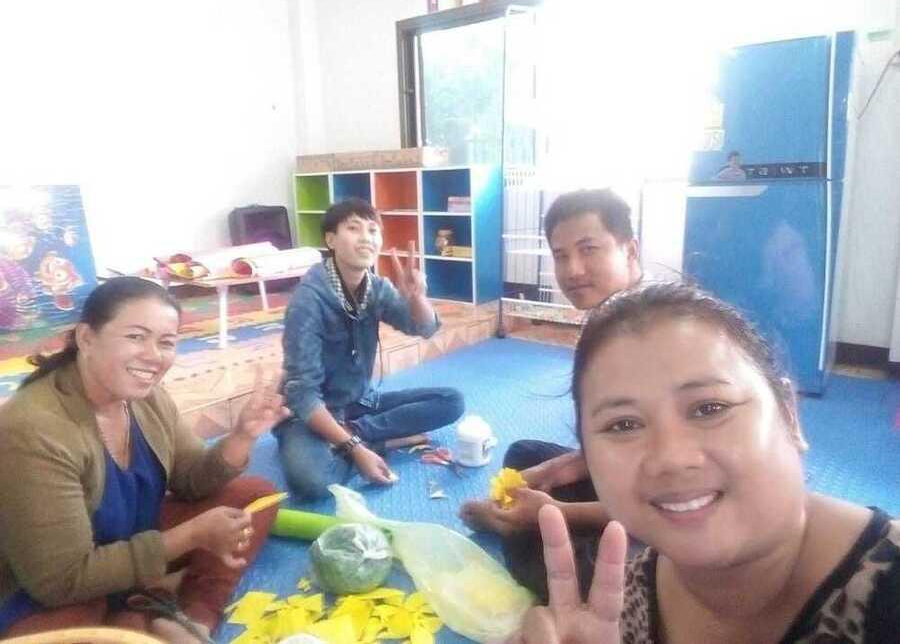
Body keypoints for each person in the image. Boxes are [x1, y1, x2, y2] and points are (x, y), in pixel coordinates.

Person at [503, 282, 900, 643]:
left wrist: (559, 511)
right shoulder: (628, 597)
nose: (671, 458)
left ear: (789, 415)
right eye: (623, 424)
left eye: (709, 408)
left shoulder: (886, 586)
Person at [0, 277, 289, 643]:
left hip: (130, 542)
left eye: (166, 342)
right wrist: (190, 536)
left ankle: (194, 616)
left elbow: (190, 479)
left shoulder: (146, 397)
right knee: (80, 626)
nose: (154, 356)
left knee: (253, 496)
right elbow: (61, 581)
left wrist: (243, 436)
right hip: (49, 588)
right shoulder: (34, 428)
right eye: (136, 337)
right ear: (86, 338)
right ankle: (145, 609)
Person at [460, 188, 642, 601]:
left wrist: (555, 512)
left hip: (668, 516)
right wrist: (556, 471)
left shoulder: (645, 337)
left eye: (589, 249)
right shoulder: (607, 322)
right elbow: (617, 446)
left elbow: (663, 497)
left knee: (585, 576)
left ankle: (516, 530)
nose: (573, 270)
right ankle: (523, 525)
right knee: (525, 456)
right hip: (627, 482)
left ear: (630, 251)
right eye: (561, 255)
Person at [276, 198, 465, 500]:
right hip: (311, 412)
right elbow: (302, 394)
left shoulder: (376, 288)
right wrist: (358, 451)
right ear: (331, 240)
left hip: (359, 402)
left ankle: (356, 433)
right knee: (312, 482)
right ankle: (375, 441)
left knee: (451, 401)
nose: (366, 237)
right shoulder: (308, 301)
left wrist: (417, 296)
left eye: (373, 230)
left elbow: (425, 328)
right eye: (354, 228)